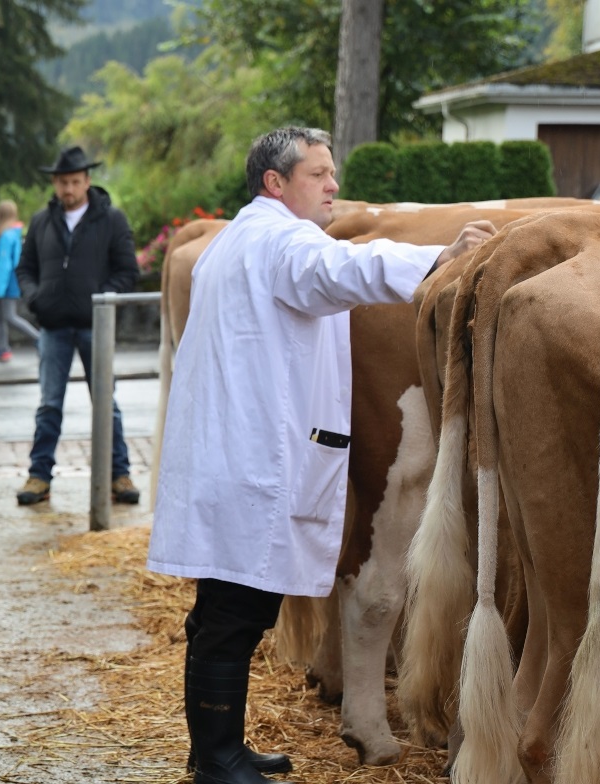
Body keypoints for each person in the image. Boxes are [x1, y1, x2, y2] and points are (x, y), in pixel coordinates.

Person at [146, 127, 495, 784]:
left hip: (233, 456)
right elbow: (344, 268)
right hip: (250, 462)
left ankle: (217, 747)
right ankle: (218, 760)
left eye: (332, 173)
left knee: (224, 610)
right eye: (318, 174)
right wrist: (439, 257)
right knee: (233, 615)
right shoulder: (282, 242)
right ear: (275, 183)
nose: (333, 185)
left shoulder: (242, 239)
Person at [14, 145, 140, 506]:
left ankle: (119, 474)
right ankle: (39, 476)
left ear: (86, 181)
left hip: (94, 326)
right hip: (53, 326)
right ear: (55, 183)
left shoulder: (111, 219)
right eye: (62, 182)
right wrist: (36, 298)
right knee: (49, 404)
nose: (68, 189)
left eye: (74, 182)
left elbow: (128, 271)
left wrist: (102, 299)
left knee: (105, 404)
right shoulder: (42, 220)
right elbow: (25, 269)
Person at [0, 199, 38, 361]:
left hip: (6, 283)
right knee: (1, 318)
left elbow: (4, 265)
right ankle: (3, 348)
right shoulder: (15, 234)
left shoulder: (6, 236)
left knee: (9, 317)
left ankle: (39, 338)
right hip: (12, 281)